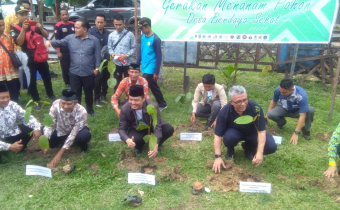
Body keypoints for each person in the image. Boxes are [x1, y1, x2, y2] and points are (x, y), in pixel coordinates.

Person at [212, 86, 277, 173]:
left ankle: (248, 148)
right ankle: (230, 150)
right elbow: (218, 135)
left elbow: (261, 131)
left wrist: (260, 152)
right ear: (231, 102)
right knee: (229, 138)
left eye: (245, 100)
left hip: (252, 132)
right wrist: (218, 157)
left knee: (271, 146)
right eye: (238, 101)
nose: (243, 104)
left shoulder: (256, 108)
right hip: (234, 132)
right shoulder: (224, 112)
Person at [45, 19, 101, 116]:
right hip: (74, 72)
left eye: (77, 28)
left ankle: (90, 110)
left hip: (88, 72)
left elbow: (97, 56)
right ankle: (76, 111)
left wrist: (96, 68)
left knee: (88, 92)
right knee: (75, 93)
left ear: (85, 29)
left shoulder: (94, 40)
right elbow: (59, 42)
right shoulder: (70, 38)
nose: (75, 29)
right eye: (74, 27)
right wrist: (49, 42)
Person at [11, 5, 56, 110]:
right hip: (28, 58)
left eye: (26, 14)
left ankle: (50, 94)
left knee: (47, 76)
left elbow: (46, 35)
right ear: (16, 16)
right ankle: (36, 100)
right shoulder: (15, 28)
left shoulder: (34, 25)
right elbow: (19, 42)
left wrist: (40, 27)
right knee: (32, 80)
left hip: (40, 56)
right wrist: (23, 30)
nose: (25, 17)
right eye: (22, 15)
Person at [119, 85, 174, 157]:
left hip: (150, 126)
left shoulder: (153, 106)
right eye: (131, 99)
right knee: (135, 138)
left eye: (136, 100)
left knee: (168, 129)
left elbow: (157, 125)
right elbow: (121, 129)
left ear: (143, 98)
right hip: (136, 128)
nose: (133, 102)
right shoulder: (124, 109)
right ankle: (139, 146)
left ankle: (154, 145)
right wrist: (127, 140)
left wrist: (156, 143)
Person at [43, 89, 91, 167]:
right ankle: (62, 141)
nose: (65, 106)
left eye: (69, 104)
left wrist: (60, 153)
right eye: (63, 103)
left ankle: (80, 144)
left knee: (84, 135)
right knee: (45, 132)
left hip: (77, 131)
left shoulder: (82, 112)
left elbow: (74, 133)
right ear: (60, 101)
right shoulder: (55, 105)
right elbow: (50, 124)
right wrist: (45, 139)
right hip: (61, 129)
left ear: (76, 102)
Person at [265, 79, 315, 145]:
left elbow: (302, 116)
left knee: (310, 110)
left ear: (292, 90)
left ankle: (306, 130)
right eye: (281, 92)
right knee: (270, 113)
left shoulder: (301, 95)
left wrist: (296, 133)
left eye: (284, 93)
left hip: (297, 111)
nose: (282, 94)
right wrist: (267, 115)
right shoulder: (278, 90)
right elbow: (274, 101)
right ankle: (281, 122)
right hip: (283, 108)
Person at [0, 83, 42, 157]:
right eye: (2, 98)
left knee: (31, 128)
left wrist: (36, 128)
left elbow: (25, 117)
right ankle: (10, 149)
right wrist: (9, 147)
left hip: (11, 134)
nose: (6, 100)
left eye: (8, 96)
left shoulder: (12, 105)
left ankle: (18, 148)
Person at [136, 17, 167, 111]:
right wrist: (136, 64)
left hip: (151, 67)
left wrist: (156, 72)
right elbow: (140, 51)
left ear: (147, 26)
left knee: (142, 84)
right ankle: (162, 104)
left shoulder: (156, 39)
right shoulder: (142, 37)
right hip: (144, 66)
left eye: (141, 28)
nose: (140, 31)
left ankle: (140, 104)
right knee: (153, 86)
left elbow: (159, 56)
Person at [4, 0, 31, 89]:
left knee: (27, 69)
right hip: (15, 48)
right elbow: (7, 35)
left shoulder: (28, 19)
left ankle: (28, 87)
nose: (25, 16)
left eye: (27, 11)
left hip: (28, 48)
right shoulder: (8, 19)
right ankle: (19, 88)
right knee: (19, 70)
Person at [108, 15, 136, 92]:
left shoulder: (130, 35)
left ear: (124, 23)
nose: (118, 27)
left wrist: (126, 55)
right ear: (113, 24)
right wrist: (112, 53)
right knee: (117, 82)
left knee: (129, 82)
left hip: (128, 63)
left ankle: (130, 98)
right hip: (117, 63)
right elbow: (109, 48)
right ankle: (117, 99)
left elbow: (134, 48)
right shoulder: (111, 35)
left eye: (120, 24)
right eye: (116, 25)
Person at [88, 14, 111, 107]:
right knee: (98, 79)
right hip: (96, 60)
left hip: (106, 60)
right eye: (98, 22)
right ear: (95, 22)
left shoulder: (108, 33)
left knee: (105, 78)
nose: (99, 24)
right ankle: (96, 98)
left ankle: (103, 95)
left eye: (101, 22)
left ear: (105, 23)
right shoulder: (91, 32)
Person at [0, 13, 20, 102]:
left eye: (3, 25)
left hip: (10, 68)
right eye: (0, 26)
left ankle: (14, 105)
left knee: (13, 89)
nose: (2, 28)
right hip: (0, 70)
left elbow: (12, 49)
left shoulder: (8, 36)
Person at [54, 8, 75, 88]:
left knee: (73, 65)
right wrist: (58, 52)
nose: (65, 16)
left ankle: (73, 80)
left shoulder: (72, 24)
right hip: (64, 50)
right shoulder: (58, 26)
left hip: (73, 49)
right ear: (60, 16)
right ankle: (67, 82)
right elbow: (57, 39)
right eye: (63, 15)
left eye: (66, 14)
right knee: (65, 67)